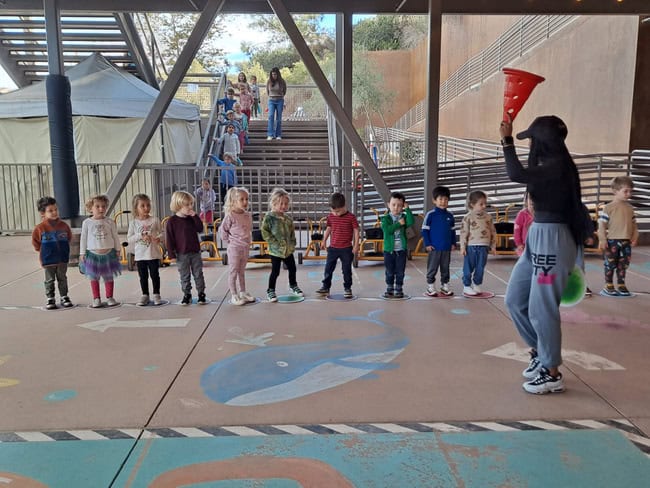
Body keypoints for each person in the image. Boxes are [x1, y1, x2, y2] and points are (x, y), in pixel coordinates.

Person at [500, 114, 590, 394]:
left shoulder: (557, 166)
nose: (530, 146)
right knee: (515, 300)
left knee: (542, 309)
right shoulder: (550, 165)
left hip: (553, 240)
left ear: (543, 142)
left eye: (533, 140)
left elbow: (516, 174)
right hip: (538, 235)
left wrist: (506, 141)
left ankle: (552, 373)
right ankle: (542, 352)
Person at [597, 176, 638, 296]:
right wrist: (602, 239)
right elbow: (602, 226)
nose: (628, 194)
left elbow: (634, 225)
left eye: (631, 191)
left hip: (626, 242)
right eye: (625, 191)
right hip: (612, 241)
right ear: (615, 191)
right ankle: (608, 284)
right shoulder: (608, 207)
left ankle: (621, 283)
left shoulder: (630, 209)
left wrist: (635, 237)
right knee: (610, 264)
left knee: (623, 264)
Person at [261, 188, 303, 302]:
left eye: (286, 203)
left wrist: (293, 243)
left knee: (292, 268)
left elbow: (291, 233)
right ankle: (271, 290)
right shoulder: (269, 217)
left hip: (288, 250)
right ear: (274, 203)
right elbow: (265, 231)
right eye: (281, 203)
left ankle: (293, 285)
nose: (283, 206)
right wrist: (273, 242)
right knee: (275, 271)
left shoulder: (288, 219)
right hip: (275, 251)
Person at [79, 194, 122, 308]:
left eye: (103, 206)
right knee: (94, 277)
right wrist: (82, 253)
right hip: (93, 255)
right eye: (97, 206)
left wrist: (118, 249)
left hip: (108, 254)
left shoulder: (110, 221)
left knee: (108, 276)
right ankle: (96, 298)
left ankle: (110, 297)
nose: (101, 209)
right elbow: (83, 238)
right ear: (90, 208)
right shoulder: (87, 223)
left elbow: (115, 236)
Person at [31, 196, 73, 309]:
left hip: (62, 259)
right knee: (49, 279)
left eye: (55, 210)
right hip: (48, 259)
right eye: (50, 211)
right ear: (42, 213)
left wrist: (63, 249)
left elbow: (68, 238)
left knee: (62, 278)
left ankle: (64, 296)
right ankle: (50, 298)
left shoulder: (64, 226)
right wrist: (43, 252)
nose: (54, 212)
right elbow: (35, 242)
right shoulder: (40, 228)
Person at [166, 191, 206, 306]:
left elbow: (199, 229)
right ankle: (186, 294)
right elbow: (169, 239)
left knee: (198, 273)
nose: (190, 207)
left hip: (195, 252)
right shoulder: (172, 221)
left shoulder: (192, 219)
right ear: (178, 206)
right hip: (181, 253)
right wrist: (171, 254)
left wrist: (195, 216)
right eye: (187, 205)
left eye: (191, 204)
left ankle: (201, 293)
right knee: (184, 275)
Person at [316, 192, 360, 299]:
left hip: (346, 249)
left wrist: (356, 245)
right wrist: (324, 240)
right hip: (333, 248)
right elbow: (328, 228)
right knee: (328, 268)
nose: (336, 214)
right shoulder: (331, 216)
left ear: (344, 206)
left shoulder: (351, 217)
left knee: (346, 270)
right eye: (333, 211)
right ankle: (325, 287)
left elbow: (356, 231)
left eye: (338, 211)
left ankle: (347, 288)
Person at [220, 187, 255, 306]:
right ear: (234, 201)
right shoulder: (230, 216)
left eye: (247, 199)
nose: (245, 202)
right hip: (234, 248)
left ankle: (243, 292)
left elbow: (248, 229)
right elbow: (223, 230)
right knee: (233, 271)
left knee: (242, 271)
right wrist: (230, 241)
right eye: (242, 199)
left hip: (245, 247)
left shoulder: (247, 215)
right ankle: (234, 294)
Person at [127, 194, 163, 306]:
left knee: (154, 275)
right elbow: (129, 238)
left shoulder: (155, 220)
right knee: (143, 276)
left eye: (148, 205)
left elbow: (162, 233)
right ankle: (145, 294)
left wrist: (158, 238)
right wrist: (140, 235)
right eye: (142, 206)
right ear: (136, 208)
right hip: (140, 255)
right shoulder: (133, 223)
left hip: (152, 254)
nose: (146, 208)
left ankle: (156, 294)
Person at [459, 190, 497, 296]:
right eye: (481, 204)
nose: (484, 206)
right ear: (472, 204)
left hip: (484, 247)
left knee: (480, 267)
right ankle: (466, 286)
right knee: (468, 267)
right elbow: (463, 233)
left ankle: (477, 284)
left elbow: (493, 232)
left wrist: (493, 246)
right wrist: (462, 247)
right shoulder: (468, 217)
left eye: (485, 203)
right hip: (471, 247)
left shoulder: (488, 217)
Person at [421, 186, 456, 296]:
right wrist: (427, 244)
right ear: (434, 200)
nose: (443, 202)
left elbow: (452, 231)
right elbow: (424, 230)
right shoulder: (430, 215)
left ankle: (445, 286)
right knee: (432, 268)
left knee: (446, 268)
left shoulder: (450, 216)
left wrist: (453, 243)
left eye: (446, 199)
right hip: (434, 248)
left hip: (446, 248)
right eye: (440, 199)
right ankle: (430, 287)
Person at [381, 191, 414, 299]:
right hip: (389, 251)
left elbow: (411, 222)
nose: (396, 207)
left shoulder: (404, 216)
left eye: (400, 205)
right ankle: (389, 288)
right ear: (388, 205)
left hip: (401, 250)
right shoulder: (385, 219)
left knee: (400, 271)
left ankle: (399, 288)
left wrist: (407, 209)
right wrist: (398, 224)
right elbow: (387, 230)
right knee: (390, 271)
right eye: (393, 205)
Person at [266, 67, 286, 140]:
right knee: (271, 116)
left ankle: (278, 134)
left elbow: (284, 90)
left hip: (280, 100)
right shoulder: (269, 81)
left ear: (278, 74)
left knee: (279, 118)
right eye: (273, 74)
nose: (274, 76)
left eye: (275, 74)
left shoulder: (282, 81)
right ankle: (270, 134)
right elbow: (268, 91)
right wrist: (271, 96)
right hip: (271, 100)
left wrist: (280, 95)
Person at [513, 192, 534, 256]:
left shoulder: (541, 214)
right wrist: (519, 243)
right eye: (531, 204)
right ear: (526, 202)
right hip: (525, 245)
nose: (533, 207)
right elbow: (517, 230)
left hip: (538, 243)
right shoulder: (522, 214)